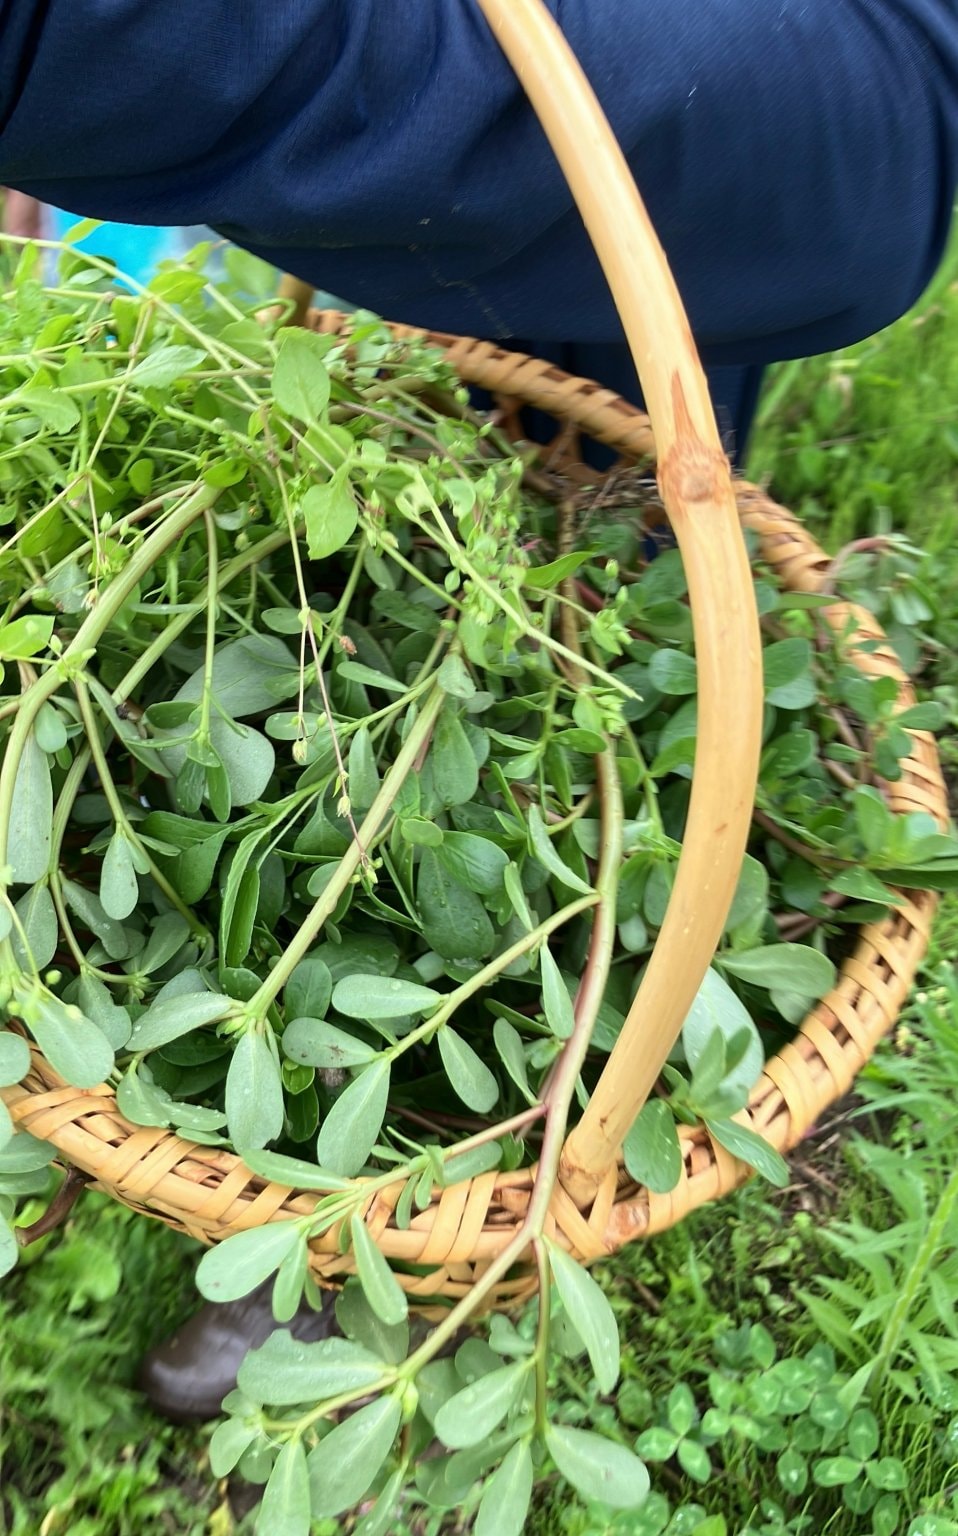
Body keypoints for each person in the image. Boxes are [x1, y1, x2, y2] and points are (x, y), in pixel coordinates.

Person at [1, 0, 956, 1418]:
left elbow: (882, 157)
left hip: (752, 96)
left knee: (608, 582)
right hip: (373, 295)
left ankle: (381, 1199)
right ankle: (321, 1151)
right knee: (336, 660)